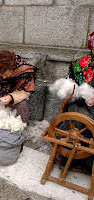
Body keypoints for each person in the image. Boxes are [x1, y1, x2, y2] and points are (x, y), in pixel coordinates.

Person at [58, 31, 94, 172]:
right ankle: (69, 157)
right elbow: (69, 87)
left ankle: (89, 163)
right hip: (79, 102)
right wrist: (82, 96)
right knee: (78, 117)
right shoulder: (79, 65)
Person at [0, 50, 37, 125]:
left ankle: (20, 129)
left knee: (22, 105)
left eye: (6, 74)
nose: (3, 77)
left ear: (13, 68)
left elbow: (25, 91)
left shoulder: (24, 72)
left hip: (14, 95)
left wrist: (11, 98)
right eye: (0, 74)